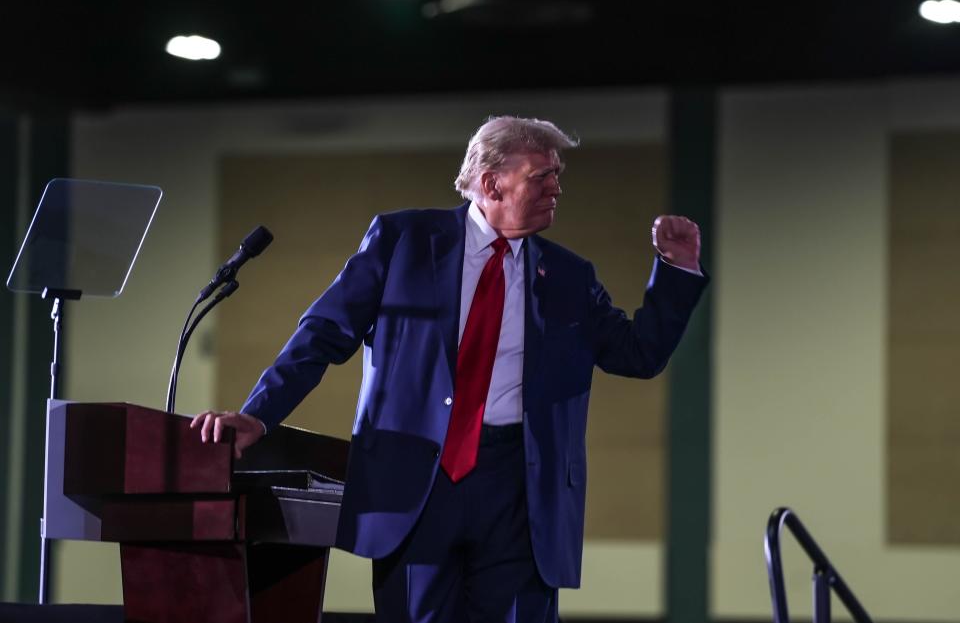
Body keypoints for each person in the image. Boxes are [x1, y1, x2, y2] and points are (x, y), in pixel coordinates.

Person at [191, 115, 707, 622]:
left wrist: (678, 271)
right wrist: (259, 416)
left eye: (557, 176)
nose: (556, 188)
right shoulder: (402, 241)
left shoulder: (569, 276)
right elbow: (322, 334)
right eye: (541, 176)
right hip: (419, 482)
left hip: (520, 491)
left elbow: (638, 355)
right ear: (491, 183)